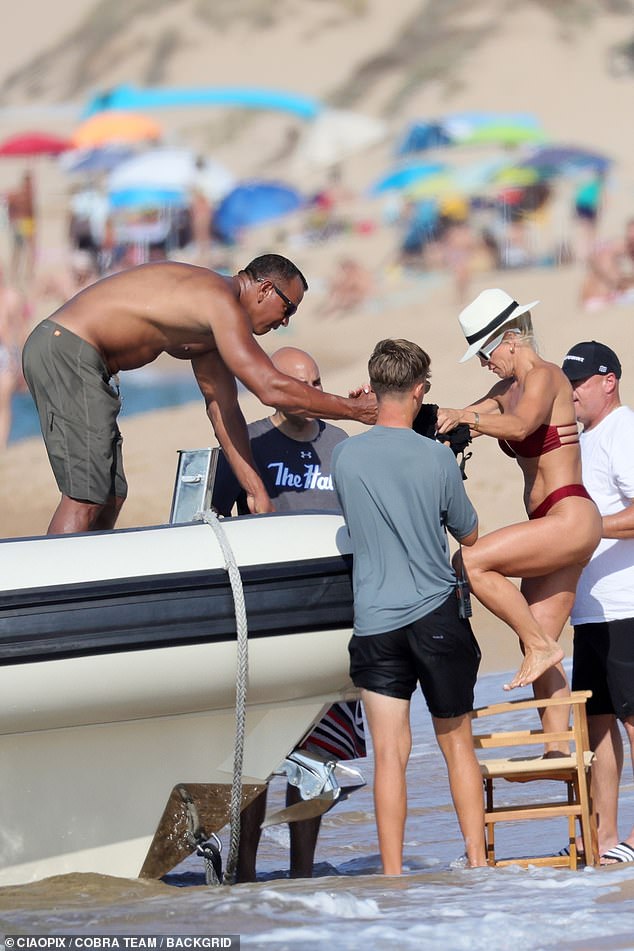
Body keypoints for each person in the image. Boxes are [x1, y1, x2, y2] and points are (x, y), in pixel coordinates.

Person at [21, 255, 376, 536]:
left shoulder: (207, 327)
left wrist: (256, 491)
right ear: (265, 289)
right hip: (67, 349)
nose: (286, 322)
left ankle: (91, 586)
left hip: (81, 361)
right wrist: (353, 409)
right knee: (86, 495)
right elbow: (270, 387)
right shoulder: (218, 302)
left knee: (111, 495)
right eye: (289, 309)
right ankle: (47, 605)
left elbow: (224, 410)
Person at [212, 346, 366, 882]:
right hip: (264, 628)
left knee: (317, 757)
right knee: (256, 760)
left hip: (328, 626)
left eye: (319, 381)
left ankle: (303, 871)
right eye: (301, 384)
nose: (313, 394)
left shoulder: (339, 443)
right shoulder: (248, 442)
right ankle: (245, 871)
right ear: (274, 385)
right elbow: (209, 520)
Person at [332, 338, 486, 873]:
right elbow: (468, 531)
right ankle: (477, 860)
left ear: (374, 389)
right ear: (420, 390)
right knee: (457, 746)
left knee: (389, 756)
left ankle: (393, 876)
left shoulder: (346, 455)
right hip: (435, 614)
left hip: (374, 621)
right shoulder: (436, 458)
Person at [436, 289, 602, 732]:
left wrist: (468, 419)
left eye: (485, 352)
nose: (484, 362)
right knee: (540, 640)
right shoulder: (503, 389)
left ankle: (539, 648)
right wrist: (382, 407)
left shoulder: (546, 376)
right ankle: (556, 751)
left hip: (569, 514)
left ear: (510, 338)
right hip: (550, 523)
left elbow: (521, 425)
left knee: (468, 562)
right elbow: (450, 417)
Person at [561, 341, 634, 864]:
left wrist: (584, 533)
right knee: (598, 723)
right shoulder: (582, 439)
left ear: (608, 380)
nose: (571, 393)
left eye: (579, 383)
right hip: (591, 611)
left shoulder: (623, 430)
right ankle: (605, 836)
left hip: (627, 605)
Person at [580, 218, 634, 311]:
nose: (631, 242)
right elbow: (618, 283)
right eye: (629, 239)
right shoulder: (612, 251)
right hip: (599, 301)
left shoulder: (619, 248)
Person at [7, 171, 37, 287]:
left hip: (27, 223)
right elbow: (11, 209)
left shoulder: (27, 195)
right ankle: (15, 274)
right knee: (18, 250)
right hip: (21, 223)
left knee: (28, 250)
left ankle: (28, 274)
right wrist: (13, 222)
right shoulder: (18, 195)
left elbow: (32, 213)